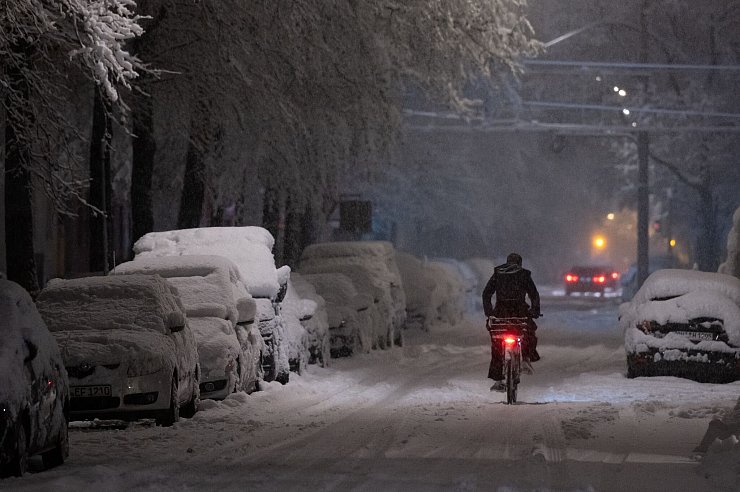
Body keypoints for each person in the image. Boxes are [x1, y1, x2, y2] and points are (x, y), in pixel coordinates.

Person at [482, 253, 541, 391]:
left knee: (497, 342)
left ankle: (497, 378)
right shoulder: (524, 274)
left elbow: (486, 294)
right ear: (520, 263)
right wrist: (535, 311)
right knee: (528, 330)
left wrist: (489, 313)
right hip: (519, 310)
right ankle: (526, 358)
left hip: (501, 312)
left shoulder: (498, 273)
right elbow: (534, 294)